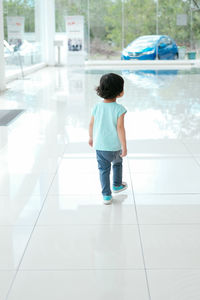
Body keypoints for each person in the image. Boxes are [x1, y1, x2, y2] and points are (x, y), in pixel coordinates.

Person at [89, 73, 127, 205]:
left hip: (100, 146)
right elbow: (120, 128)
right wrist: (124, 146)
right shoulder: (120, 109)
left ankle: (106, 196)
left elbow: (91, 124)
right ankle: (117, 185)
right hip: (115, 147)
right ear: (120, 92)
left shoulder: (97, 107)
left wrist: (91, 137)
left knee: (103, 170)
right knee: (117, 164)